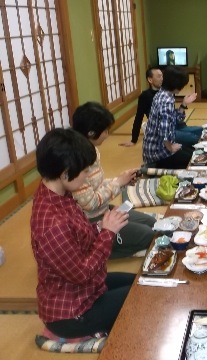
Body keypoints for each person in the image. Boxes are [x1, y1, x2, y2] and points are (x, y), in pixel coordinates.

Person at [31, 128, 135, 339]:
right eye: (85, 171)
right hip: (73, 312)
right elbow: (82, 273)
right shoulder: (52, 224)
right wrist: (108, 232)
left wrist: (102, 225)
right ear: (65, 173)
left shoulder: (59, 193)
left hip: (89, 289)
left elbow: (79, 237)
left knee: (143, 283)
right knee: (143, 297)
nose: (88, 175)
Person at [72, 102, 156, 259]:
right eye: (105, 130)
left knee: (151, 222)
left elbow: (95, 184)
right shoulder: (77, 160)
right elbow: (89, 203)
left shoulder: (91, 150)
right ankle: (98, 249)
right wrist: (118, 183)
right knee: (150, 235)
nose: (107, 134)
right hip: (93, 220)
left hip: (104, 210)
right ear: (91, 133)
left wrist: (121, 180)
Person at [119, 66, 202, 148]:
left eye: (162, 76)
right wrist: (133, 140)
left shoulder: (167, 92)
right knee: (197, 138)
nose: (162, 78)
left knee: (202, 131)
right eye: (159, 76)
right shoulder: (147, 96)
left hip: (175, 125)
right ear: (150, 80)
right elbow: (139, 117)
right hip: (165, 132)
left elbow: (173, 117)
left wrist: (184, 104)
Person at [143, 65, 197, 169]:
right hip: (158, 155)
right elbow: (164, 132)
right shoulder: (166, 100)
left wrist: (184, 104)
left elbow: (173, 121)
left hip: (158, 148)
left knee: (194, 151)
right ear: (178, 85)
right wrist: (170, 148)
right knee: (195, 159)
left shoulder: (163, 94)